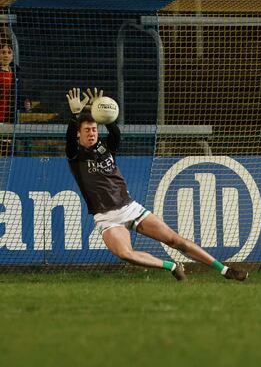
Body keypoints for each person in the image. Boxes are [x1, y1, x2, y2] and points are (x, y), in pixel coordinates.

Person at [65, 87, 248, 282]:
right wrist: (76, 114)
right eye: (87, 130)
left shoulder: (106, 147)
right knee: (125, 254)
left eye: (94, 129)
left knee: (175, 240)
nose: (92, 133)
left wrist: (106, 115)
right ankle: (171, 266)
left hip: (130, 208)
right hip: (106, 217)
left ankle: (225, 270)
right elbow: (68, 140)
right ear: (78, 134)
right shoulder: (76, 155)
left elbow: (116, 135)